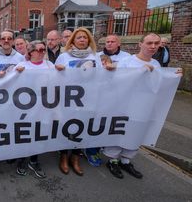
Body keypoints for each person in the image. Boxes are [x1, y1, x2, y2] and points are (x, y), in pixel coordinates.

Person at [105, 33, 182, 179]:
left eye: (156, 43)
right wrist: (139, 72)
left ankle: (126, 160)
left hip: (144, 106)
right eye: (149, 43)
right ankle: (113, 160)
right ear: (140, 44)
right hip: (124, 106)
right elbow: (116, 80)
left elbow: (160, 84)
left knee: (136, 132)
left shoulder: (157, 64)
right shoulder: (128, 62)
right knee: (120, 131)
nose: (153, 46)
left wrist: (173, 75)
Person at [55, 27, 102, 176]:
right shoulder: (64, 57)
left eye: (85, 37)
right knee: (66, 126)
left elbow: (101, 78)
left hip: (88, 99)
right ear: (73, 40)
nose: (82, 40)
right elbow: (54, 77)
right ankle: (63, 155)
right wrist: (58, 71)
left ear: (89, 40)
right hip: (68, 99)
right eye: (79, 37)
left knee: (82, 127)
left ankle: (75, 157)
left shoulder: (95, 57)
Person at [14, 41, 62, 178]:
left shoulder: (50, 65)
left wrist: (62, 72)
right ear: (31, 52)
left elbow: (58, 83)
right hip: (25, 108)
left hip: (43, 107)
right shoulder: (22, 66)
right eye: (39, 50)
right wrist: (16, 74)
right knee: (24, 133)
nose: (42, 52)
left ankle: (34, 160)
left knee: (38, 133)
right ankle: (22, 159)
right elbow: (9, 84)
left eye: (44, 50)